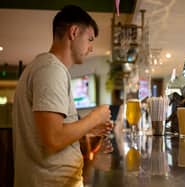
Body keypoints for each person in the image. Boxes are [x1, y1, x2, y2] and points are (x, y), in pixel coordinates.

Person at [12, 5, 112, 187]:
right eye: (89, 39)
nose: (90, 48)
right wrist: (94, 117)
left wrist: (87, 131)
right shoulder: (51, 69)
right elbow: (53, 139)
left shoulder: (44, 67)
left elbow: (45, 135)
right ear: (73, 32)